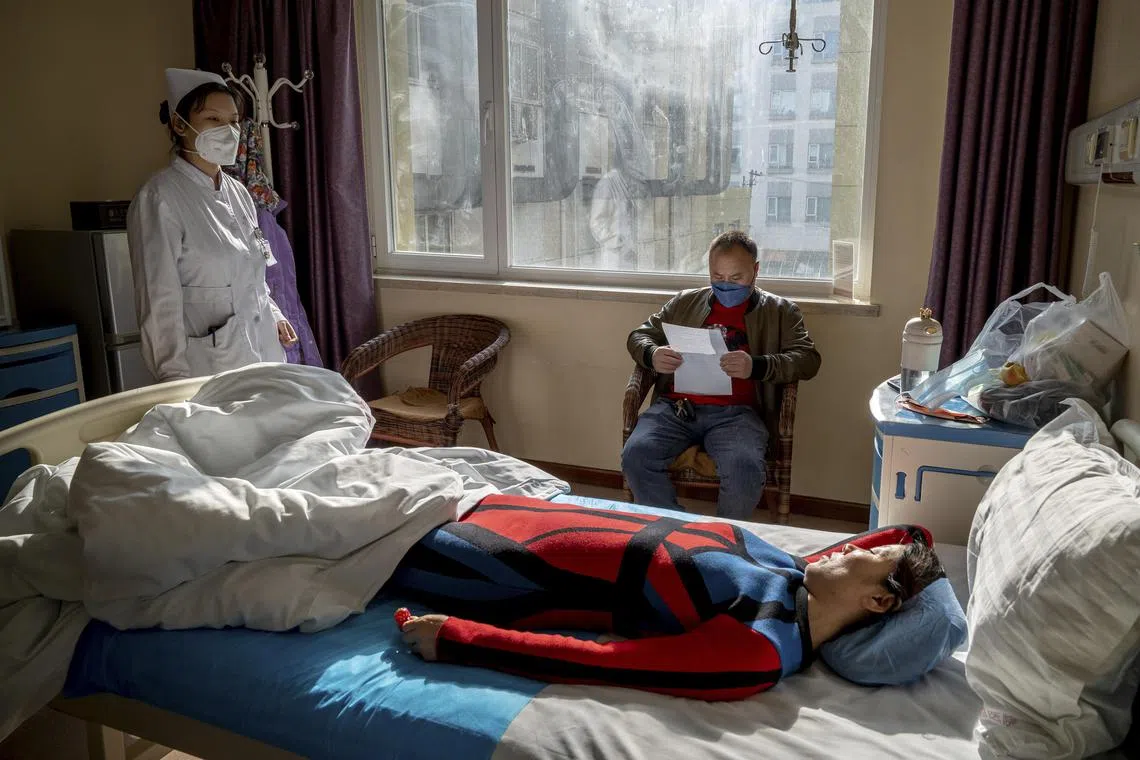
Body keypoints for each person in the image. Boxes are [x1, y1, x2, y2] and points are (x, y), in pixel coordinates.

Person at [391, 496, 945, 700]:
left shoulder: (759, 649)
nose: (844, 549)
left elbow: (602, 663)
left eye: (866, 557)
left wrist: (459, 639)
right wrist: (923, 575)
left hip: (481, 559)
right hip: (504, 505)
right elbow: (912, 532)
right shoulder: (794, 571)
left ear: (877, 602)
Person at [621, 230, 821, 519]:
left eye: (736, 278)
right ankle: (675, 530)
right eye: (717, 277)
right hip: (676, 409)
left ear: (755, 271)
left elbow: (808, 360)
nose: (726, 285)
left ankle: (720, 539)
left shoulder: (781, 311)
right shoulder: (684, 303)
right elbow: (639, 336)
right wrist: (652, 355)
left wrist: (757, 365)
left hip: (737, 414)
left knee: (745, 468)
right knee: (636, 455)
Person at [127, 68, 297, 382]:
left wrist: (273, 313)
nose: (228, 130)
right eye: (213, 119)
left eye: (233, 121)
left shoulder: (238, 193)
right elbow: (158, 299)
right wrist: (171, 379)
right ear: (179, 124)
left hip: (263, 350)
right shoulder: (159, 198)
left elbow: (250, 272)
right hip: (207, 367)